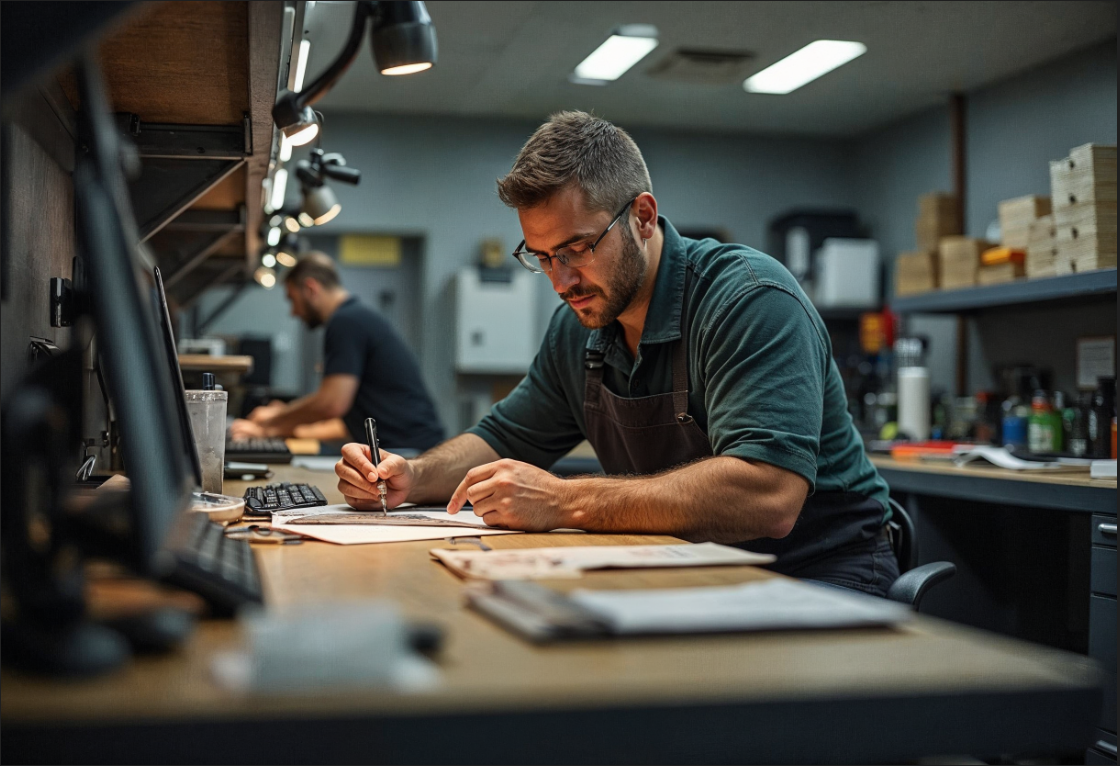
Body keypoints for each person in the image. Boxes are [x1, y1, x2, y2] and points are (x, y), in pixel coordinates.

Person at [335, 111, 898, 596]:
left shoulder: (747, 299)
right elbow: (504, 439)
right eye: (541, 257)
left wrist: (564, 501)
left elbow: (769, 496)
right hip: (688, 563)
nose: (560, 280)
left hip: (818, 569)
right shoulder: (578, 326)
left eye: (577, 248)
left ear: (644, 217)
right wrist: (411, 474)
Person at [230, 253, 445, 451]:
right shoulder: (355, 317)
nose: (294, 312)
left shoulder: (345, 322)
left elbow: (332, 403)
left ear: (311, 288)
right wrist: (281, 424)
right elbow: (344, 422)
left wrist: (271, 421)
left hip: (409, 451)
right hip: (413, 447)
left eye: (292, 299)